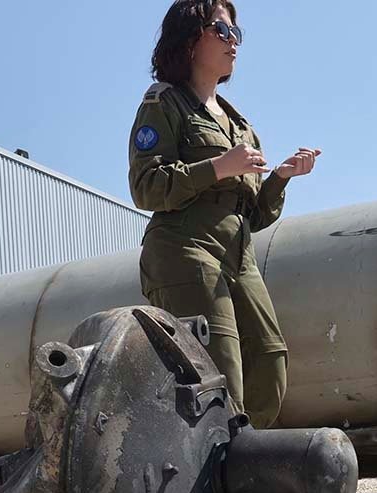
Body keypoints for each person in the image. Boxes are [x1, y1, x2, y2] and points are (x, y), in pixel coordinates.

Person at [128, 0, 320, 428]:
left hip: (237, 253)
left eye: (237, 33)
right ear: (191, 38)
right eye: (222, 30)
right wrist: (218, 167)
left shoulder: (240, 126)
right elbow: (147, 186)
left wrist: (281, 178)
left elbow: (250, 214)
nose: (233, 41)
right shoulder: (165, 103)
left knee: (270, 363)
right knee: (221, 373)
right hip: (184, 248)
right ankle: (218, 485)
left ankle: (237, 459)